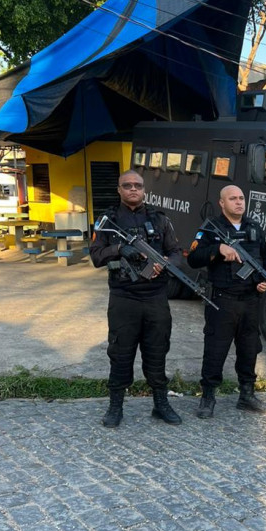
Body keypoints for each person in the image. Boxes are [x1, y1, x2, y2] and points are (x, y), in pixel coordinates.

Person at [89, 170, 183, 427]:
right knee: (120, 353)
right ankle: (115, 407)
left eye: (138, 186)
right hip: (124, 299)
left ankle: (161, 404)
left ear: (144, 190)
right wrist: (119, 249)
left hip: (155, 298)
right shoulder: (107, 220)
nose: (133, 189)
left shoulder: (160, 219)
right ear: (119, 190)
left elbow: (177, 253)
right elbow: (96, 256)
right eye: (127, 185)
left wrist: (165, 263)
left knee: (157, 351)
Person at [187, 185, 266, 418]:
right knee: (215, 350)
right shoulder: (210, 228)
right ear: (222, 203)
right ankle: (208, 397)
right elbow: (193, 258)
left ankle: (246, 394)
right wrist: (218, 248)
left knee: (249, 349)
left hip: (250, 301)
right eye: (233, 198)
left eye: (241, 198)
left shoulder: (254, 227)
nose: (239, 202)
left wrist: (265, 280)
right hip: (223, 301)